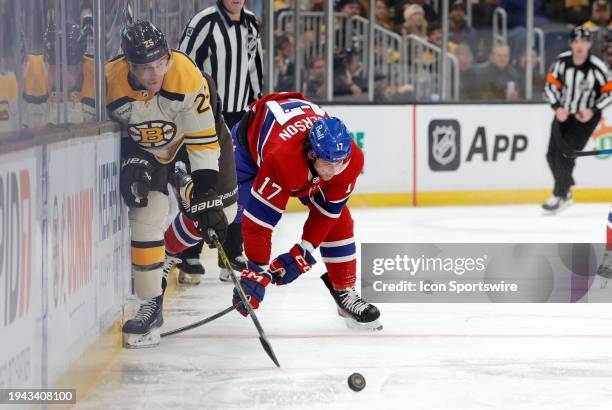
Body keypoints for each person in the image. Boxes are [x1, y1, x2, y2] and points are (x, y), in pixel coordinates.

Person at [106, 20, 237, 347]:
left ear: (168, 57)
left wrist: (205, 195)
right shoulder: (110, 80)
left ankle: (169, 252)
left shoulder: (187, 78)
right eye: (144, 67)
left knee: (223, 212)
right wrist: (131, 155)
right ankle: (151, 303)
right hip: (148, 149)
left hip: (198, 139)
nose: (153, 73)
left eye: (159, 63)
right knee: (145, 216)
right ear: (128, 64)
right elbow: (102, 125)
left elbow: (204, 148)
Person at [228, 92, 382, 330]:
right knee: (220, 209)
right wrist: (256, 270)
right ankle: (167, 256)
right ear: (311, 153)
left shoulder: (351, 160)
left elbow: (328, 213)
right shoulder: (283, 159)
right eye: (328, 163)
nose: (334, 171)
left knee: (340, 219)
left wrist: (303, 252)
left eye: (340, 162)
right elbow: (260, 223)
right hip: (247, 148)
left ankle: (344, 291)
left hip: (294, 140)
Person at [178, 0, 264, 282]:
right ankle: (190, 251)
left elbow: (254, 68)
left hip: (239, 117)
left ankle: (232, 251)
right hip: (206, 116)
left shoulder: (251, 22)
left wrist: (256, 107)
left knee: (235, 183)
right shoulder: (204, 22)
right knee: (203, 180)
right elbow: (183, 65)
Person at [542, 26, 611, 214]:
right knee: (551, 154)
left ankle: (560, 194)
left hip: (586, 118)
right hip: (563, 113)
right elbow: (550, 86)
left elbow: (609, 92)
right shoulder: (561, 62)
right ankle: (566, 186)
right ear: (571, 43)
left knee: (566, 154)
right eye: (576, 41)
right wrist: (557, 107)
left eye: (584, 41)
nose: (580, 45)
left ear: (589, 44)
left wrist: (592, 109)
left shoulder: (598, 67)